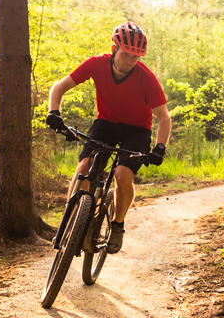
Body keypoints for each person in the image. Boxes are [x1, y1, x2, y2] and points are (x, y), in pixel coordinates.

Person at [45, 21, 171, 254]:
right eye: (126, 54)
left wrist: (160, 147)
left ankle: (117, 225)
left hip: (137, 130)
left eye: (136, 57)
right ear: (114, 48)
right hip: (106, 124)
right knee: (85, 165)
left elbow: (164, 117)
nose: (130, 61)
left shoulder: (146, 78)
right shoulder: (96, 64)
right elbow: (59, 87)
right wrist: (54, 112)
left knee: (123, 176)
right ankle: (70, 218)